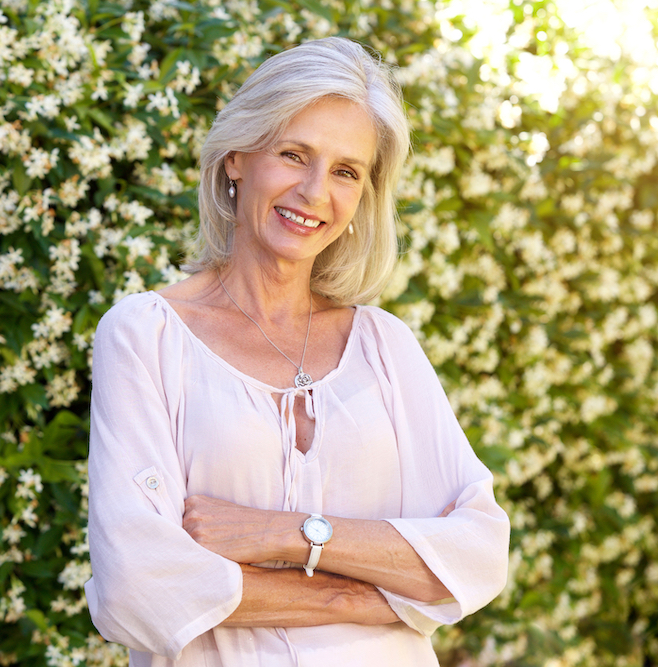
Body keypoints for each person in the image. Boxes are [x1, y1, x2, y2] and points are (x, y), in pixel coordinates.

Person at [84, 37, 510, 666]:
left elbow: (477, 553)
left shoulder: (383, 345)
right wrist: (365, 591)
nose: (315, 191)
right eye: (293, 154)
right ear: (237, 158)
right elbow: (136, 586)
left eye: (346, 171)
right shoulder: (146, 335)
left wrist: (276, 536)